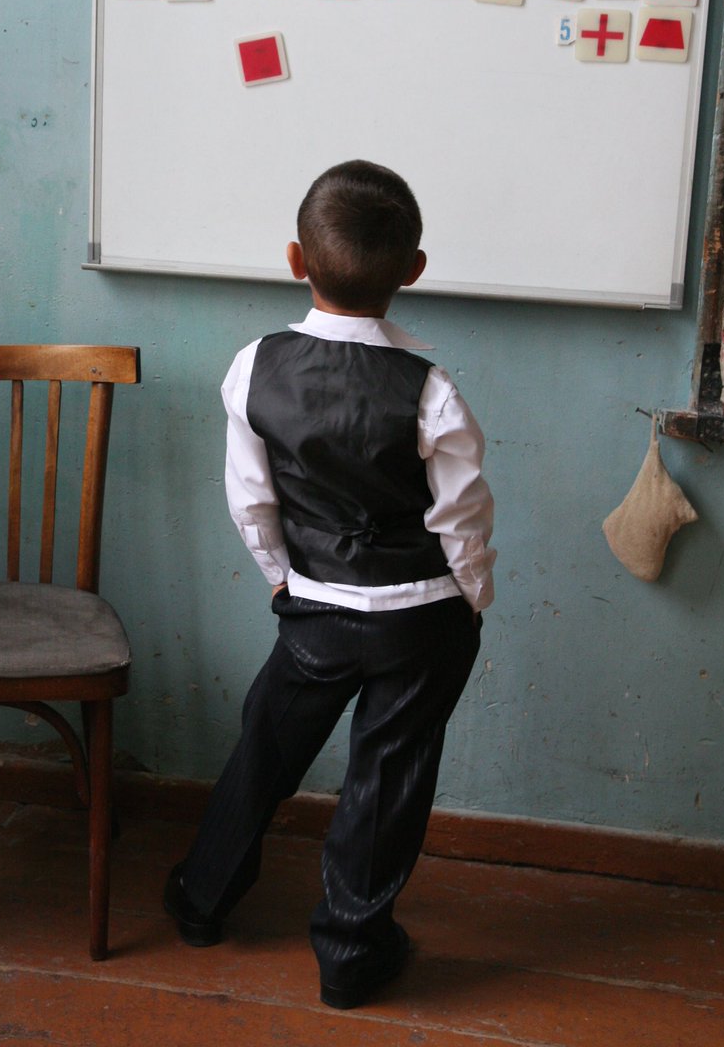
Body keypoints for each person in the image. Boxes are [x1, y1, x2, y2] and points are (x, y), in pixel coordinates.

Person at [164, 159, 495, 1009]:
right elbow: (463, 523)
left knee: (265, 748)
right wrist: (468, 600)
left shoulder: (252, 367)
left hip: (314, 607)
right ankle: (351, 952)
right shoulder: (433, 391)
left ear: (293, 257)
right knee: (387, 777)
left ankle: (201, 901)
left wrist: (287, 581)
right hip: (420, 619)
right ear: (414, 270)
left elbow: (251, 502)